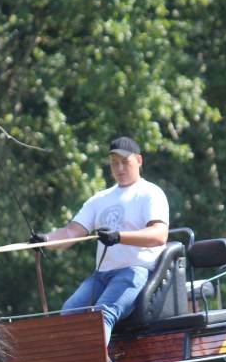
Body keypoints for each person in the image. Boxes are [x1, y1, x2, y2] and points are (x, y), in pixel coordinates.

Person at [29, 137, 169, 344]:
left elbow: (159, 235)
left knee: (101, 314)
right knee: (69, 312)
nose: (119, 168)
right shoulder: (99, 200)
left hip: (135, 272)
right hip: (101, 276)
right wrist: (46, 239)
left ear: (139, 161)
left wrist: (119, 236)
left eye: (125, 162)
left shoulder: (150, 193)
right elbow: (71, 233)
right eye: (114, 162)